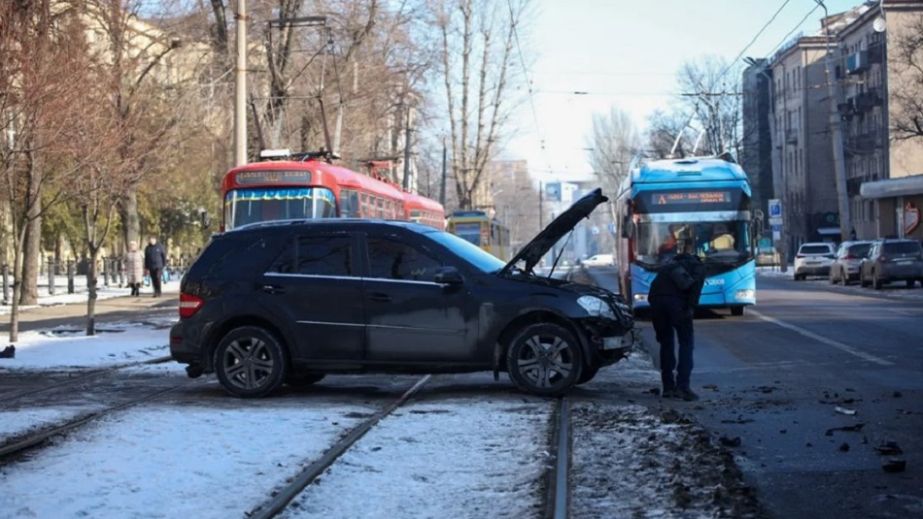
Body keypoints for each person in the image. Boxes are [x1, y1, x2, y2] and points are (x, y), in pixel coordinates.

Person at [649, 238, 706, 401]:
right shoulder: (698, 267)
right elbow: (695, 290)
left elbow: (654, 288)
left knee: (666, 343)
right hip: (677, 305)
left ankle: (668, 387)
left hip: (656, 303)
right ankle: (683, 387)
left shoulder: (669, 265)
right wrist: (690, 309)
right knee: (686, 344)